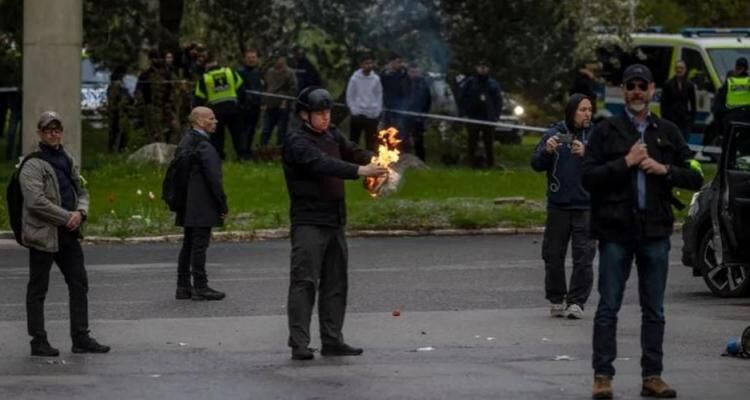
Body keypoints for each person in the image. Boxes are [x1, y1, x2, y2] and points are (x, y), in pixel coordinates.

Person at [582, 64, 703, 399]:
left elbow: (695, 173)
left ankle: (653, 376)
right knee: (608, 308)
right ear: (623, 90)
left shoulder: (668, 131)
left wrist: (666, 169)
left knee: (654, 310)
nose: (636, 92)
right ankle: (602, 377)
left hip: (655, 231)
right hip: (615, 232)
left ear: (652, 90)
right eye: (630, 86)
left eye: (642, 86)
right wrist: (627, 162)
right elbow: (588, 177)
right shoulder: (606, 131)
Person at [282, 86, 388, 360]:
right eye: (319, 113)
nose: (326, 117)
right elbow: (323, 164)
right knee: (305, 282)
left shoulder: (331, 133)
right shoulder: (297, 141)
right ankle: (299, 343)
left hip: (335, 220)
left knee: (335, 283)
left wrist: (376, 160)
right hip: (309, 221)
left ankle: (332, 340)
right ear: (305, 114)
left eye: (328, 112)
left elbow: (351, 150)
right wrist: (360, 171)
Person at [19, 111, 110, 357]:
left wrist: (80, 212)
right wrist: (66, 216)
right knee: (38, 289)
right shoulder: (32, 164)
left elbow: (82, 190)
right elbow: (35, 202)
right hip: (43, 235)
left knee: (79, 283)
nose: (54, 133)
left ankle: (81, 337)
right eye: (48, 129)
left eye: (57, 129)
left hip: (69, 234)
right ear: (40, 133)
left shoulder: (67, 158)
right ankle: (38, 341)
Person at [530, 94, 596, 320]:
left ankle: (577, 301)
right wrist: (547, 151)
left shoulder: (596, 135)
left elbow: (609, 164)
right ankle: (556, 298)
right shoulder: (553, 133)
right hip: (559, 205)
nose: (588, 114)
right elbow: (536, 164)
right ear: (571, 112)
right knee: (553, 254)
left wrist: (588, 153)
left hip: (586, 206)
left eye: (590, 109)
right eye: (583, 110)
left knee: (584, 256)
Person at [175, 107, 228, 301]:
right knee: (199, 245)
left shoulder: (185, 142)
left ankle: (183, 286)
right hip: (202, 203)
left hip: (187, 202)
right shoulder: (204, 146)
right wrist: (222, 204)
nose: (215, 121)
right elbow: (214, 178)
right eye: (211, 118)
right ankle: (200, 286)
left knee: (188, 244)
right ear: (199, 121)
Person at [194, 58, 248, 161]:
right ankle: (242, 156)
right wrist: (242, 105)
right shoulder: (230, 72)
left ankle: (219, 157)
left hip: (215, 111)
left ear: (206, 66)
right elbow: (241, 88)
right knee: (238, 134)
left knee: (217, 136)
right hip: (233, 108)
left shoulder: (205, 78)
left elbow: (198, 97)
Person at [458, 59, 503, 168]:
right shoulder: (470, 82)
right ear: (477, 68)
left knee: (489, 143)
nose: (482, 69)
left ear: (488, 69)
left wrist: (496, 115)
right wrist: (464, 112)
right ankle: (471, 164)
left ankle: (490, 164)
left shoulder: (493, 83)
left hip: (488, 117)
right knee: (472, 141)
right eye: (480, 66)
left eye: (485, 67)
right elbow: (461, 98)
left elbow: (498, 101)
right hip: (473, 116)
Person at [135, 50, 180, 144]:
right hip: (152, 107)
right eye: (154, 58)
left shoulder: (169, 73)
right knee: (155, 133)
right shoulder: (146, 75)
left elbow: (175, 89)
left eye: (159, 58)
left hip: (167, 107)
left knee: (175, 129)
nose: (157, 61)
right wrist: (141, 105)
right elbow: (139, 91)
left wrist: (171, 103)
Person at [346, 53, 383, 151]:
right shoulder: (354, 78)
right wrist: (354, 110)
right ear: (361, 64)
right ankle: (352, 161)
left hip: (371, 114)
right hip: (358, 113)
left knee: (371, 142)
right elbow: (350, 96)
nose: (369, 66)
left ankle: (370, 162)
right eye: (366, 63)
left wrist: (377, 111)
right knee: (354, 140)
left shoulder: (376, 79)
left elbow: (379, 95)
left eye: (371, 63)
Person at [261, 52, 297, 148]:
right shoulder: (269, 72)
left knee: (281, 130)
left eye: (279, 58)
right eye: (276, 59)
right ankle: (262, 148)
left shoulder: (289, 73)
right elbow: (265, 87)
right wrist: (264, 102)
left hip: (282, 105)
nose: (277, 61)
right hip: (270, 104)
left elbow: (293, 89)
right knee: (266, 129)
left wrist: (286, 101)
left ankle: (280, 149)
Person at [236, 49, 264, 159]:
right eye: (249, 58)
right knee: (243, 130)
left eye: (253, 58)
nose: (251, 60)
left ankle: (248, 151)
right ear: (244, 59)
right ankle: (242, 153)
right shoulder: (240, 72)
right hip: (244, 106)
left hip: (255, 106)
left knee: (252, 129)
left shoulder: (256, 72)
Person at [660, 60, 697, 140]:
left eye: (681, 68)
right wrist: (665, 119)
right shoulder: (668, 84)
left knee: (683, 142)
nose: (679, 70)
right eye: (677, 68)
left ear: (685, 70)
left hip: (684, 121)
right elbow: (663, 103)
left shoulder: (689, 85)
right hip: (671, 119)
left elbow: (693, 104)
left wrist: (691, 120)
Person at [402, 63, 432, 160]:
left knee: (419, 141)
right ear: (409, 72)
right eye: (412, 72)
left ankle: (420, 162)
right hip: (405, 117)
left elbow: (428, 101)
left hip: (419, 117)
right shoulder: (403, 83)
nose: (414, 74)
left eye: (416, 72)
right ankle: (404, 160)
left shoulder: (424, 85)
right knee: (404, 140)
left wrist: (424, 116)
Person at [714, 57, 750, 136]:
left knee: (728, 146)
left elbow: (718, 107)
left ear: (737, 68)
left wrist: (720, 129)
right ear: (747, 69)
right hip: (747, 123)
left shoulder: (730, 82)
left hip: (731, 122)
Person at [106, 65, 133, 153]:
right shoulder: (116, 85)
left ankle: (120, 148)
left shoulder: (120, 85)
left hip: (122, 112)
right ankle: (115, 149)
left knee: (123, 132)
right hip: (117, 112)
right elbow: (113, 101)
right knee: (116, 132)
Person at [380, 53, 409, 131]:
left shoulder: (401, 73)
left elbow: (405, 80)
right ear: (392, 62)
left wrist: (405, 69)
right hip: (388, 107)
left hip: (400, 107)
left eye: (401, 62)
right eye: (398, 62)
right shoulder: (385, 74)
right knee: (386, 129)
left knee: (399, 130)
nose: (400, 64)